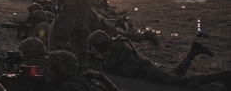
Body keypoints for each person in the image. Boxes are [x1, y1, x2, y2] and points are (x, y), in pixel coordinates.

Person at [88, 30, 231, 90]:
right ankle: (192, 53)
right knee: (176, 75)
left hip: (146, 70)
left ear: (100, 43)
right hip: (146, 67)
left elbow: (109, 67)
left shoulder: (112, 48)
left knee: (182, 82)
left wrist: (94, 60)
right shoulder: (116, 42)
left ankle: (220, 76)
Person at [46, 50, 120, 91]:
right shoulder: (83, 77)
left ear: (63, 70)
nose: (48, 72)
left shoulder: (72, 87)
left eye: (52, 69)